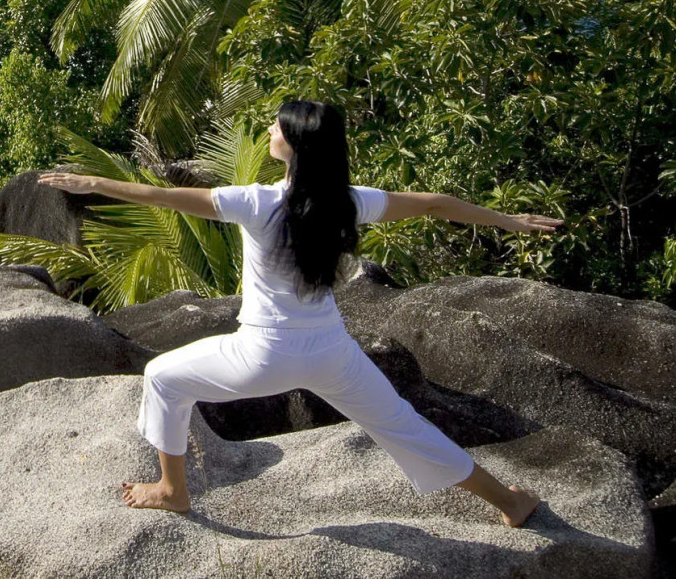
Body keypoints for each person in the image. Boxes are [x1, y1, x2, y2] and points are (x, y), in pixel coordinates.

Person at [38, 99, 563, 527]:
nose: (270, 129)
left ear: (296, 145)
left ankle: (173, 491)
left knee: (162, 377)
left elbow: (164, 197)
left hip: (261, 353)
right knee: (407, 427)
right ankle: (511, 503)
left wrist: (97, 184)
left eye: (278, 126)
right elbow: (433, 202)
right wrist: (508, 220)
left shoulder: (255, 201)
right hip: (332, 352)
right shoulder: (349, 201)